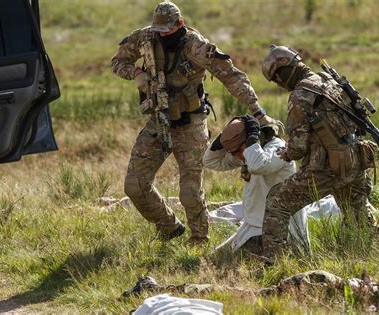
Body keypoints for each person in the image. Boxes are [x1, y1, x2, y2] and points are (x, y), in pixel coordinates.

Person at [110, 2, 279, 244]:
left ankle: (199, 240)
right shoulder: (145, 37)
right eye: (159, 30)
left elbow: (233, 78)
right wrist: (136, 74)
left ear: (179, 24)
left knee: (189, 192)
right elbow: (118, 62)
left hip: (190, 125)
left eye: (168, 30)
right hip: (158, 122)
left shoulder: (197, 47)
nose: (163, 35)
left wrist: (259, 113)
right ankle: (168, 226)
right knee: (134, 186)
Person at [260, 45, 379, 259]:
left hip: (326, 167)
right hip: (356, 160)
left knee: (277, 202)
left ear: (284, 70)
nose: (278, 83)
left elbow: (298, 146)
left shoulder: (301, 95)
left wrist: (287, 153)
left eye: (276, 77)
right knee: (359, 214)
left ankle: (275, 262)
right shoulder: (329, 80)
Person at [203, 116, 313, 253]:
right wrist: (221, 141)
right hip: (254, 227)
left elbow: (259, 166)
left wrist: (251, 139)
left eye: (238, 150)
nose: (236, 156)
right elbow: (210, 162)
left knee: (236, 263)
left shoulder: (277, 148)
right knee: (215, 257)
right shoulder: (250, 153)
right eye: (232, 152)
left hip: (281, 228)